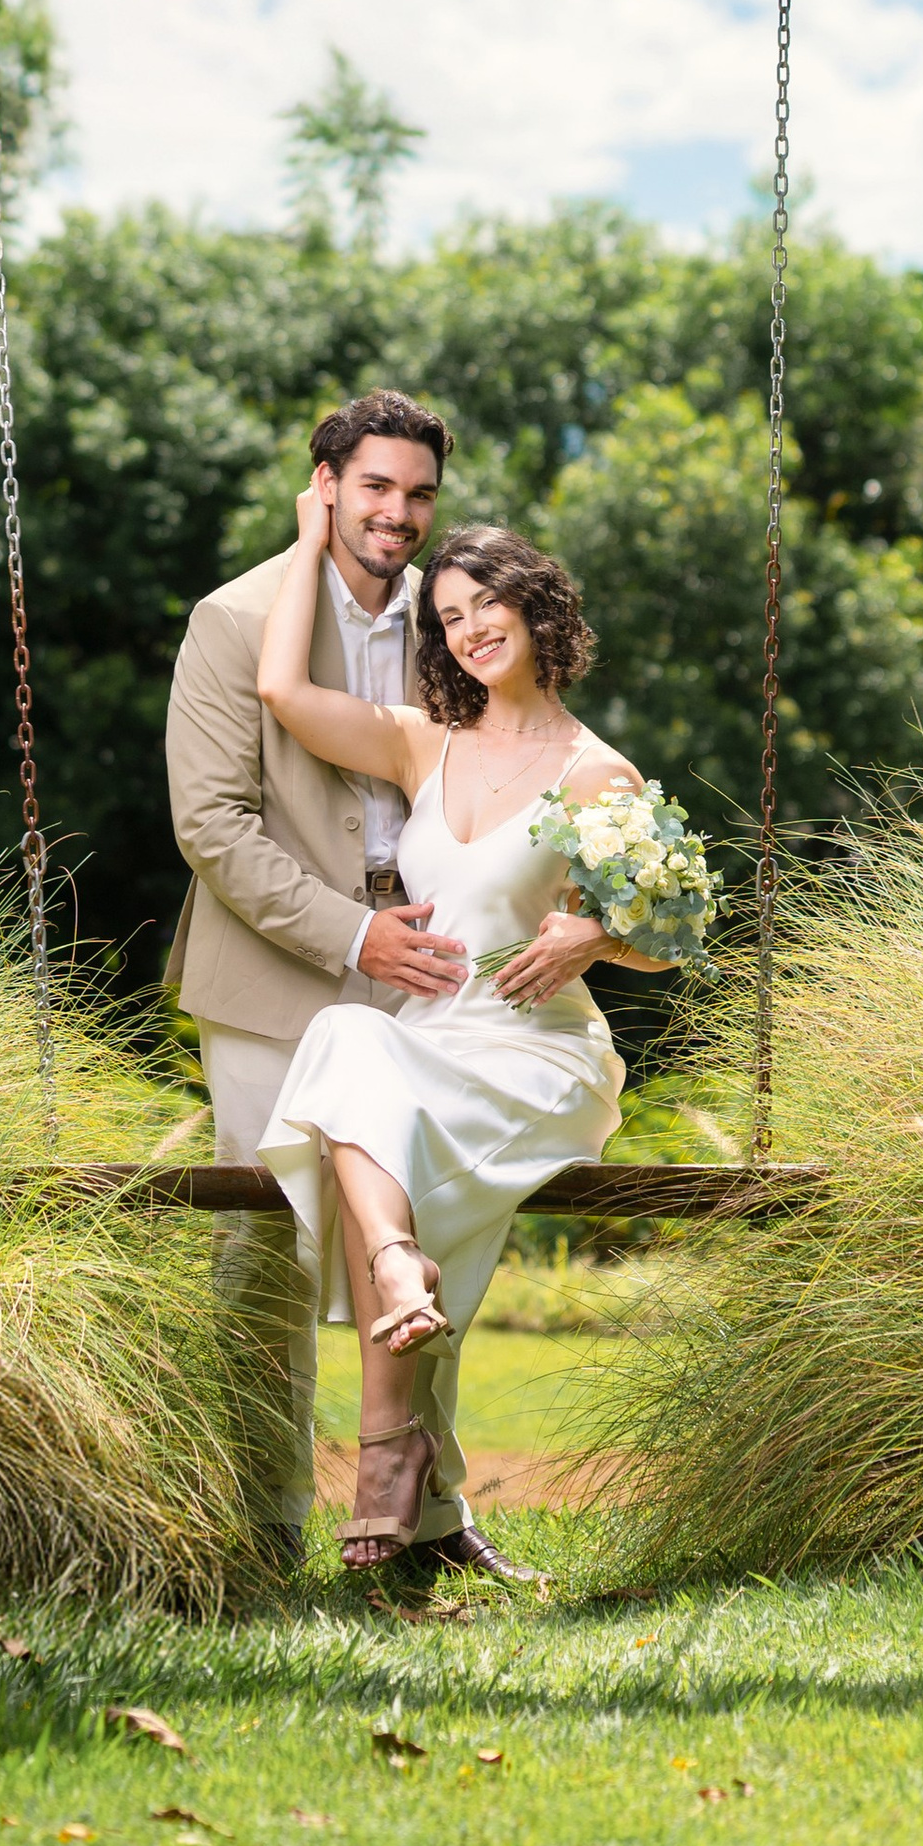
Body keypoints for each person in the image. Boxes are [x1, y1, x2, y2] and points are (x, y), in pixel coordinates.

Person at [253, 493, 674, 1570]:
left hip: (535, 1052)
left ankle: (396, 1460)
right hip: (425, 1046)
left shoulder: (595, 775)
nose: (470, 628)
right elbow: (282, 690)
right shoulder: (419, 745)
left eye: (487, 602)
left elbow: (667, 937)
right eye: (445, 616)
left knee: (369, 1100)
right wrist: (309, 542)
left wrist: (589, 935)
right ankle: (402, 1284)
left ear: (534, 609)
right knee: (353, 1040)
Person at [165, 389, 507, 1578]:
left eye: (418, 493)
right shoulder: (234, 618)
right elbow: (210, 825)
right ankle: (259, 1528)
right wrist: (352, 941)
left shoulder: (455, 625)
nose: (398, 514)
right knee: (264, 1253)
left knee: (421, 1243)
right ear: (322, 485)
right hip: (273, 976)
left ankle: (424, 1522)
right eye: (374, 487)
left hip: (427, 972)